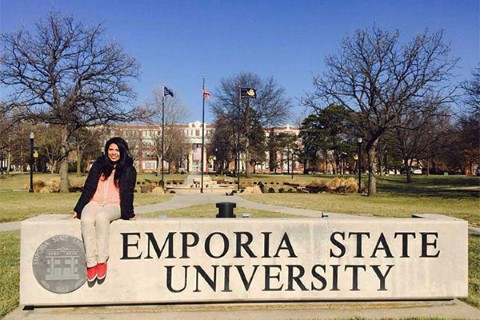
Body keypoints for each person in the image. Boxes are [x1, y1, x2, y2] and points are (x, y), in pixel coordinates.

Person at [73, 137, 137, 283]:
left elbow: (128, 193)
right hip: (95, 202)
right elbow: (88, 187)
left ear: (123, 152)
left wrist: (129, 213)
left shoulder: (128, 169)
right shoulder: (98, 165)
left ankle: (102, 260)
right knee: (87, 219)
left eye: (117, 150)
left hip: (115, 205)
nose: (113, 153)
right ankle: (91, 262)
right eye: (110, 149)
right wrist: (78, 209)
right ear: (106, 150)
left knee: (102, 217)